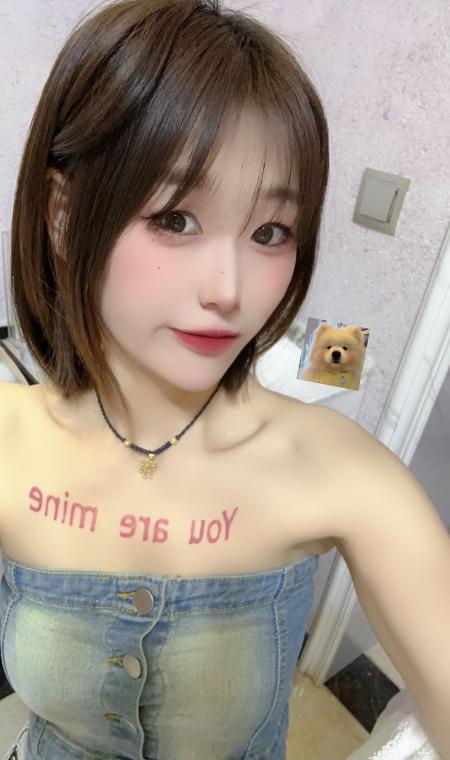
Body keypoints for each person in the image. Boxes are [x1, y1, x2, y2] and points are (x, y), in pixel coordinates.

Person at [1, 1, 449, 759]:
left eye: (270, 232)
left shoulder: (340, 474)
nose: (230, 290)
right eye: (175, 219)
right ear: (63, 213)